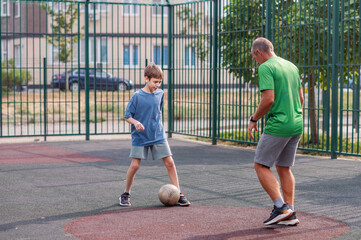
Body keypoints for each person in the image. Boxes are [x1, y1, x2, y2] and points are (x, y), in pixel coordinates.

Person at [248, 37, 304, 226]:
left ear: (258, 52)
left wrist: (253, 119)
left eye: (254, 58)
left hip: (279, 124)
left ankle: (280, 207)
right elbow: (301, 98)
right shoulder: (291, 66)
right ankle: (291, 212)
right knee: (283, 167)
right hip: (296, 123)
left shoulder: (265, 67)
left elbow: (268, 99)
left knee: (260, 165)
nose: (256, 62)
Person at [120, 63, 191, 207]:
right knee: (135, 166)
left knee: (169, 162)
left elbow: (158, 112)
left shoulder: (160, 94)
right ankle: (126, 193)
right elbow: (127, 116)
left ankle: (178, 193)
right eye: (155, 82)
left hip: (158, 134)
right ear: (146, 79)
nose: (157, 85)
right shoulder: (137, 96)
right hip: (140, 136)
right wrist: (136, 122)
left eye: (160, 82)